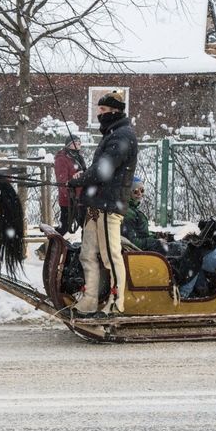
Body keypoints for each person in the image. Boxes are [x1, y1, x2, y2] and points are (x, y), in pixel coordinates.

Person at [66, 92, 137, 317]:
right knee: (87, 253)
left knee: (110, 255)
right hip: (96, 205)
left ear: (116, 111)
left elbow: (103, 170)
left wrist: (80, 179)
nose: (100, 114)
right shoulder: (113, 134)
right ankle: (89, 300)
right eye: (99, 110)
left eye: (104, 111)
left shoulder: (122, 135)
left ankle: (116, 303)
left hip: (109, 205)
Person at [122, 176, 168, 253]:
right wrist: (156, 242)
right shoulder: (128, 213)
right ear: (128, 193)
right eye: (136, 191)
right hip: (143, 253)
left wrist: (155, 236)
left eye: (142, 190)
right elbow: (132, 242)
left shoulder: (132, 210)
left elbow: (141, 234)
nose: (140, 194)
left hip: (146, 249)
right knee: (181, 249)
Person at [53, 134, 87, 235]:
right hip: (69, 200)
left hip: (81, 198)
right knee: (64, 227)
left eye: (79, 143)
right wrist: (70, 195)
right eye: (74, 143)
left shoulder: (79, 157)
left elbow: (84, 173)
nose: (77, 146)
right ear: (68, 145)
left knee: (86, 226)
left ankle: (84, 248)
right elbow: (62, 181)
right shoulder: (62, 158)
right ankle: (49, 247)